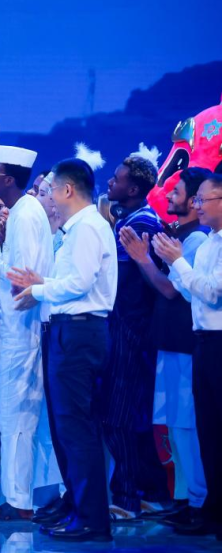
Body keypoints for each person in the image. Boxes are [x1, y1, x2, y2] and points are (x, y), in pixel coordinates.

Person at [8, 158, 116, 541]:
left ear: (68, 189)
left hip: (80, 332)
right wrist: (44, 283)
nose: (49, 197)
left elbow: (80, 283)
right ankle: (77, 507)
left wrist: (38, 289)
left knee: (76, 427)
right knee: (64, 426)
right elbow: (72, 280)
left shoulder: (88, 227)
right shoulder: (78, 229)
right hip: (69, 331)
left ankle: (92, 518)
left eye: (52, 189)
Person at [121, 167, 210, 531]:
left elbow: (172, 290)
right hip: (170, 341)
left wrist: (142, 258)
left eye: (178, 192)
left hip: (186, 343)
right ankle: (186, 499)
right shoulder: (180, 235)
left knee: (187, 425)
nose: (170, 196)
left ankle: (200, 502)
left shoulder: (198, 239)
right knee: (175, 424)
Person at [0, 145, 59, 520]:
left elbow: (22, 279)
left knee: (16, 415)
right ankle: (30, 496)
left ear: (9, 180)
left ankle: (18, 501)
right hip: (19, 328)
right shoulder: (23, 211)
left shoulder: (25, 215)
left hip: (22, 331)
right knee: (22, 416)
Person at [152, 172, 222, 540]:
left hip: (219, 340)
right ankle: (210, 509)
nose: (198, 206)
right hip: (203, 341)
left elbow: (211, 292)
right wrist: (173, 263)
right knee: (207, 431)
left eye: (203, 200)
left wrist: (178, 261)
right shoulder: (209, 242)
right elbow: (189, 291)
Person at [102, 151, 171, 520]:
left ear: (133, 189)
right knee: (126, 415)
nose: (110, 182)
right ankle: (148, 492)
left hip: (132, 329)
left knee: (119, 415)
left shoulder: (144, 222)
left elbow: (142, 281)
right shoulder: (130, 218)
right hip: (123, 327)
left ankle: (127, 497)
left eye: (117, 178)